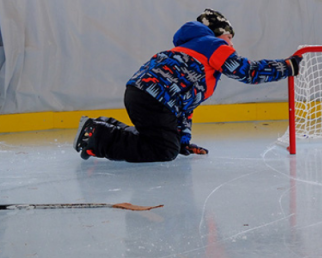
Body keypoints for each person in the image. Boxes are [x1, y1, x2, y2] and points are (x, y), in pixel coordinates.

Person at [74, 9, 301, 162]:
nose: (232, 45)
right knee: (163, 150)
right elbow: (248, 72)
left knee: (163, 142)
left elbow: (184, 108)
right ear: (220, 33)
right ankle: (98, 137)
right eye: (230, 38)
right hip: (156, 98)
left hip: (140, 93)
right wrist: (286, 67)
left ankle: (101, 126)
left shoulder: (191, 51)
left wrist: (182, 141)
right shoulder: (213, 45)